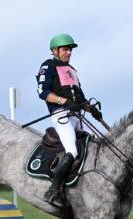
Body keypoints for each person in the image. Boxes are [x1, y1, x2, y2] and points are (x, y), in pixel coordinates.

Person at [36, 33, 103, 203]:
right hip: (62, 116)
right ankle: (54, 190)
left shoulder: (72, 70)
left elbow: (80, 99)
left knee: (101, 143)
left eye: (70, 50)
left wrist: (91, 109)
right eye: (65, 49)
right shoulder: (48, 66)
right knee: (72, 151)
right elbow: (43, 92)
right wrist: (63, 101)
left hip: (78, 116)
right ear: (55, 50)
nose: (69, 53)